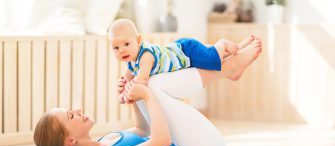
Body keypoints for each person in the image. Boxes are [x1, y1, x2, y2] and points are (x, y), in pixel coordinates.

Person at [20, 37, 262, 146]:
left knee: (147, 82)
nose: (77, 110)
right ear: (70, 140)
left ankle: (226, 67)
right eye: (70, 115)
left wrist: (133, 97)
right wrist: (145, 94)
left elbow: (142, 129)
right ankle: (227, 69)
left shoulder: (104, 142)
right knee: (152, 86)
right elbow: (161, 141)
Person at [108, 19, 255, 104]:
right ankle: (235, 51)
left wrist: (129, 93)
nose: (121, 50)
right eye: (116, 48)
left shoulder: (146, 56)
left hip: (186, 50)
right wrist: (122, 91)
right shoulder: (130, 63)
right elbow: (126, 82)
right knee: (206, 58)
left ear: (138, 40)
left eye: (126, 44)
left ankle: (222, 44)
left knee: (211, 59)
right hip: (180, 51)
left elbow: (141, 81)